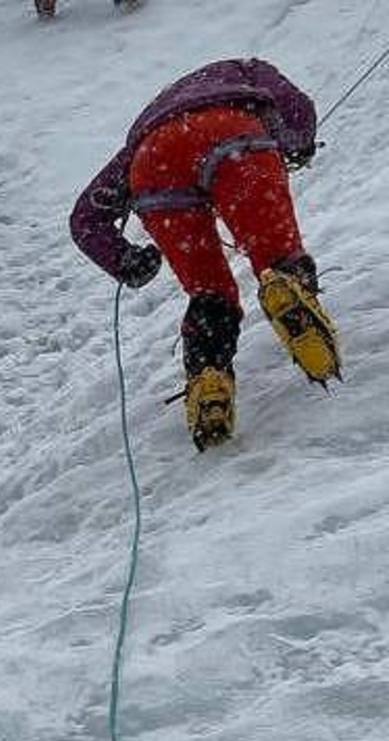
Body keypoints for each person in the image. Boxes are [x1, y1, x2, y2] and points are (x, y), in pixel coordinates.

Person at [70, 57, 338, 451]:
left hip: (153, 163)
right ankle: (290, 294)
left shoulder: (149, 124)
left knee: (210, 293)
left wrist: (126, 261)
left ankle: (209, 378)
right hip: (231, 134)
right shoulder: (244, 69)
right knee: (276, 253)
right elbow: (293, 101)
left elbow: (85, 219)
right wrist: (297, 141)